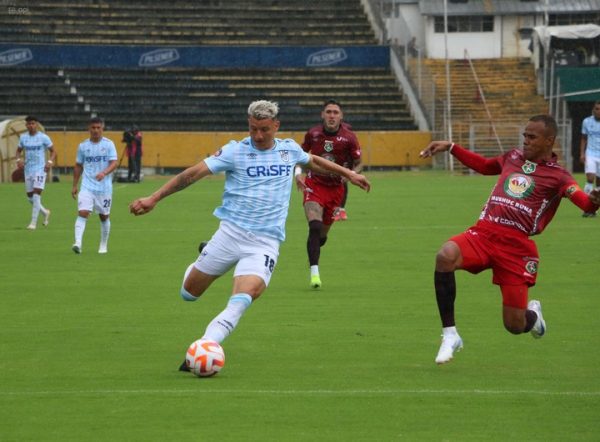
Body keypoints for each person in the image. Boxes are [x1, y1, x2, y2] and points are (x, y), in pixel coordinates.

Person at [128, 100, 370, 370]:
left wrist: (349, 173)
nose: (258, 135)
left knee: (244, 297)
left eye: (264, 129)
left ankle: (207, 345)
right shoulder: (235, 151)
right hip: (229, 235)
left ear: (276, 126)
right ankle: (205, 254)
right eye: (253, 128)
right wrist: (154, 198)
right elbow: (192, 174)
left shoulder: (288, 149)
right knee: (189, 293)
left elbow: (312, 160)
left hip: (265, 243)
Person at [419, 115, 600, 365]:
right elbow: (485, 166)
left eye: (532, 137)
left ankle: (533, 316)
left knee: (514, 325)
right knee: (445, 256)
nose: (526, 141)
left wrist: (594, 201)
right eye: (525, 136)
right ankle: (450, 334)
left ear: (549, 141)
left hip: (516, 249)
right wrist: (451, 147)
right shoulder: (512, 157)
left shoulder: (559, 176)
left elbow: (584, 202)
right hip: (484, 234)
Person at [295, 99, 362, 289]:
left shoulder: (349, 138)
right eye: (329, 112)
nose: (332, 115)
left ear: (341, 116)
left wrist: (351, 175)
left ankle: (314, 247)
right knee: (314, 226)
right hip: (314, 184)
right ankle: (314, 274)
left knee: (321, 237)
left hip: (335, 190)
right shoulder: (313, 134)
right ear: (322, 115)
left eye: (335, 112)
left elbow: (359, 162)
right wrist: (298, 174)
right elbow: (298, 157)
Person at [71, 117, 118, 254]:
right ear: (89, 129)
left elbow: (114, 163)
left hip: (104, 188)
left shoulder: (109, 144)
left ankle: (103, 244)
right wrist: (74, 185)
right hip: (87, 186)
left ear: (102, 129)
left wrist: (104, 173)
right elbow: (78, 165)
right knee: (83, 213)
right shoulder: (83, 146)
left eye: (98, 128)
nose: (96, 130)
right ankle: (78, 243)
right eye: (93, 128)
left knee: (104, 216)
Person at [15, 116, 56, 230]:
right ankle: (45, 212)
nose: (31, 125)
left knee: (36, 195)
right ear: (26, 125)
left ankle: (33, 223)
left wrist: (49, 162)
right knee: (30, 198)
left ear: (36, 124)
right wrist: (18, 160)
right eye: (29, 124)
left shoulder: (43, 137)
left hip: (40, 169)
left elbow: (53, 151)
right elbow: (18, 151)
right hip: (28, 169)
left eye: (33, 123)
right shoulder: (23, 137)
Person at [579, 100, 600, 217]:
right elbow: (583, 138)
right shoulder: (586, 121)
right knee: (590, 178)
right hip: (591, 154)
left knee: (599, 183)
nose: (598, 111)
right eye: (597, 109)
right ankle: (586, 207)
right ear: (593, 110)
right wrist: (582, 153)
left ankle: (594, 207)